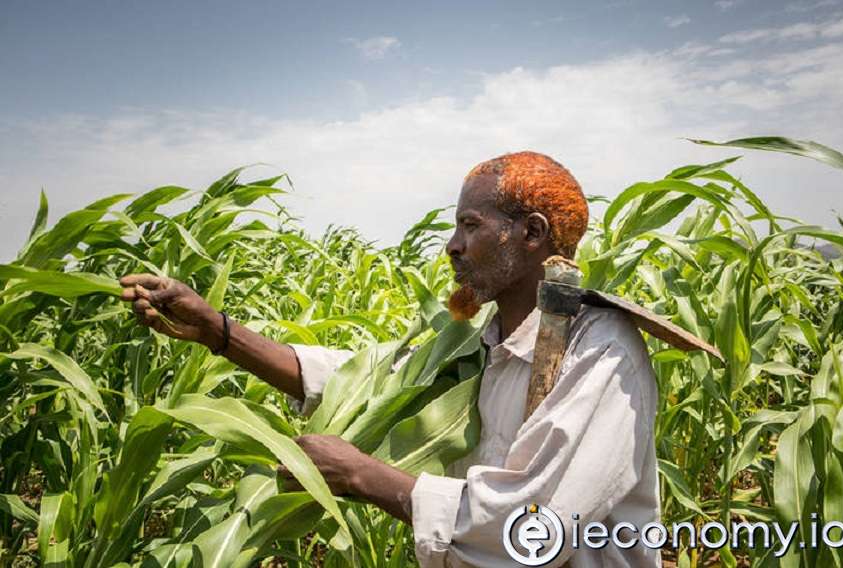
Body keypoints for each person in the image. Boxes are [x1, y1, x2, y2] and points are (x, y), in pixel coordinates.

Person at [120, 151, 661, 567]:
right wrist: (216, 330)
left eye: (470, 225)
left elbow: (539, 527)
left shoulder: (602, 351)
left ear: (532, 233)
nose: (452, 245)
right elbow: (357, 380)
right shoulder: (478, 344)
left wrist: (362, 476)